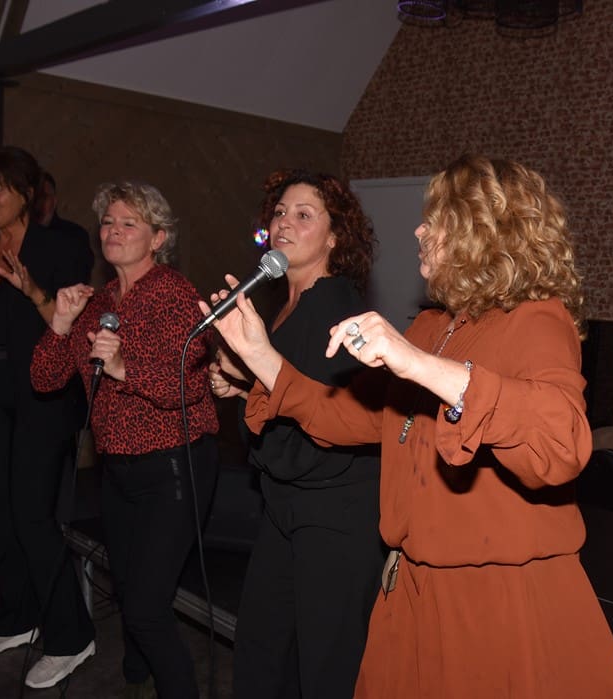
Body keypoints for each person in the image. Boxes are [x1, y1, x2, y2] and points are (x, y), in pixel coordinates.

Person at [205, 155, 613, 697]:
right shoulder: (431, 325)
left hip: (493, 602)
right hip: (412, 587)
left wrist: (418, 366)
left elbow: (560, 443)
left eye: (436, 220)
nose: (419, 231)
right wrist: (260, 357)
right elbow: (347, 417)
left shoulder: (536, 318)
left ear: (483, 230)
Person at [30, 180, 220, 698]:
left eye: (128, 223)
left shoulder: (174, 295)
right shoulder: (96, 304)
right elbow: (44, 379)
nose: (113, 231)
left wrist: (121, 368)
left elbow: (189, 386)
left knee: (146, 608)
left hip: (173, 467)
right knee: (131, 590)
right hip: (117, 469)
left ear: (158, 238)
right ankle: (137, 679)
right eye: (108, 222)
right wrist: (60, 323)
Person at [208, 170, 384, 698]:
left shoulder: (334, 304)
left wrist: (256, 385)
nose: (285, 223)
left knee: (324, 666)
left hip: (333, 513)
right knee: (264, 650)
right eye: (280, 212)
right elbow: (295, 393)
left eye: (304, 215)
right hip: (287, 505)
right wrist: (245, 384)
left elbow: (328, 422)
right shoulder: (287, 303)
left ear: (335, 238)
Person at [0, 145, 96, 689]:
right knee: (2, 517)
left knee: (32, 517)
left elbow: (71, 324)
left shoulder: (63, 245)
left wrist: (31, 289)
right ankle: (16, 617)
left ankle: (72, 635)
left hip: (41, 398)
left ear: (26, 194)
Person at [34, 170, 95, 277]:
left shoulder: (75, 236)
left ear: (54, 201)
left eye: (44, 197)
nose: (39, 204)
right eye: (35, 198)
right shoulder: (16, 238)